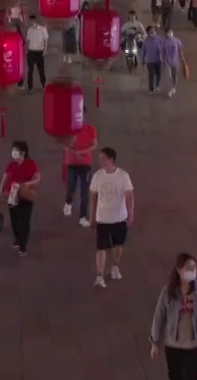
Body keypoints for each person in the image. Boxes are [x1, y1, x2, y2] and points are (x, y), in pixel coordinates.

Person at [149, 253, 197, 380]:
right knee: (175, 376)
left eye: (194, 268)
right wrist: (155, 342)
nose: (192, 271)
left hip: (194, 345)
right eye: (188, 268)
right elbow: (159, 316)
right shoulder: (168, 291)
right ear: (179, 270)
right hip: (173, 344)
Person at [90, 147, 135, 288]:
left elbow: (129, 195)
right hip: (102, 218)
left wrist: (130, 213)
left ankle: (115, 266)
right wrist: (92, 216)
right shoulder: (97, 176)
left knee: (117, 246)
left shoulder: (123, 176)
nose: (100, 160)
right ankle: (99, 276)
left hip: (119, 218)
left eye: (103, 158)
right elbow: (94, 196)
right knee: (101, 248)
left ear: (111, 159)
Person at [0, 140, 41, 255]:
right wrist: (0, 192)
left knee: (24, 221)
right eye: (13, 150)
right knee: (14, 220)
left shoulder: (31, 163)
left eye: (15, 150)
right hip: (12, 196)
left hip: (25, 196)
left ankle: (23, 246)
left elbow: (37, 177)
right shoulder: (11, 165)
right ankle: (17, 238)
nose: (13, 152)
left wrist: (27, 184)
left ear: (23, 153)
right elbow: (5, 178)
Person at [63, 123, 97, 227]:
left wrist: (82, 152)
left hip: (85, 164)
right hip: (71, 163)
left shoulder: (90, 128)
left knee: (84, 191)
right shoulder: (69, 128)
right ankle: (68, 202)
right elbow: (63, 144)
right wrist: (73, 153)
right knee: (71, 186)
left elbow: (94, 144)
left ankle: (83, 216)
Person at [24, 16, 49, 90]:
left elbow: (45, 40)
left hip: (39, 52)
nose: (32, 23)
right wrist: (27, 50)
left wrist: (45, 50)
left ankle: (43, 84)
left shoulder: (42, 29)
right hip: (31, 51)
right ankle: (30, 86)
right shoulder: (30, 30)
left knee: (41, 69)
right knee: (30, 70)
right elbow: (28, 41)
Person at [160, 28, 185, 98]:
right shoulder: (164, 42)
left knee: (174, 76)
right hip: (167, 61)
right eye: (168, 32)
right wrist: (162, 60)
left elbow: (180, 50)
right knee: (169, 76)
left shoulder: (177, 41)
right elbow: (163, 52)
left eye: (170, 32)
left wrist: (182, 59)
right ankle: (170, 90)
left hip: (175, 61)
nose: (170, 33)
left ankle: (173, 87)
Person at [142, 25, 165, 93]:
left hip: (158, 60)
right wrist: (143, 60)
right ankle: (151, 89)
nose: (153, 32)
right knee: (151, 75)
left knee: (159, 75)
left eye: (153, 31)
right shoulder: (146, 42)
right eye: (151, 31)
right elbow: (143, 51)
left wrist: (164, 58)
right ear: (148, 33)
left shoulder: (159, 39)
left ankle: (157, 86)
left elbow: (163, 48)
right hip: (150, 61)